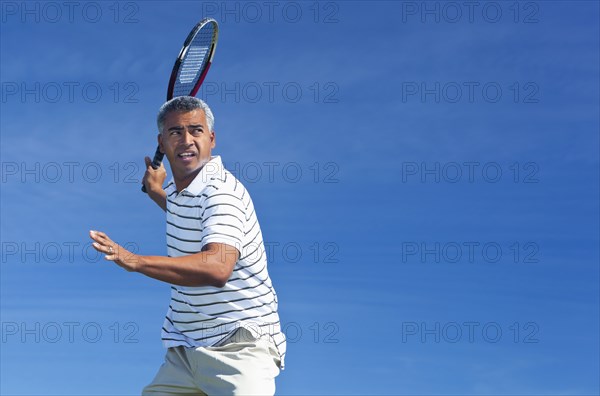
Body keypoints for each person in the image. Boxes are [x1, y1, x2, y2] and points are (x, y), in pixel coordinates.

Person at [89, 96, 286, 395]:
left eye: (196, 130)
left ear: (212, 138)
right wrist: (157, 193)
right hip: (184, 352)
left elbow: (218, 267)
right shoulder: (182, 194)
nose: (186, 140)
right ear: (162, 143)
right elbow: (191, 218)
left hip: (240, 348)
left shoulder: (222, 193)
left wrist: (135, 261)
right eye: (175, 132)